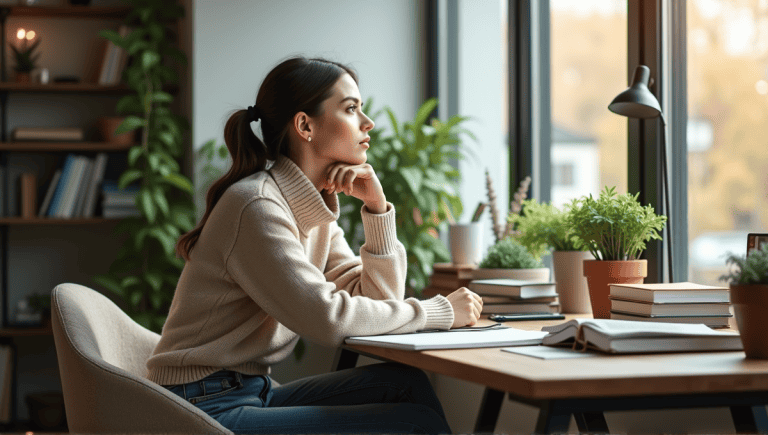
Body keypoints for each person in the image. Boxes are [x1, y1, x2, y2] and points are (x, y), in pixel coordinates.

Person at [146, 56, 483, 434]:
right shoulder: (257, 205)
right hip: (202, 405)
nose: (368, 123)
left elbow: (379, 299)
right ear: (305, 125)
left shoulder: (308, 209)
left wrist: (377, 208)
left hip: (246, 392)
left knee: (405, 385)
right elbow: (326, 319)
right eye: (351, 108)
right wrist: (438, 312)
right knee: (413, 423)